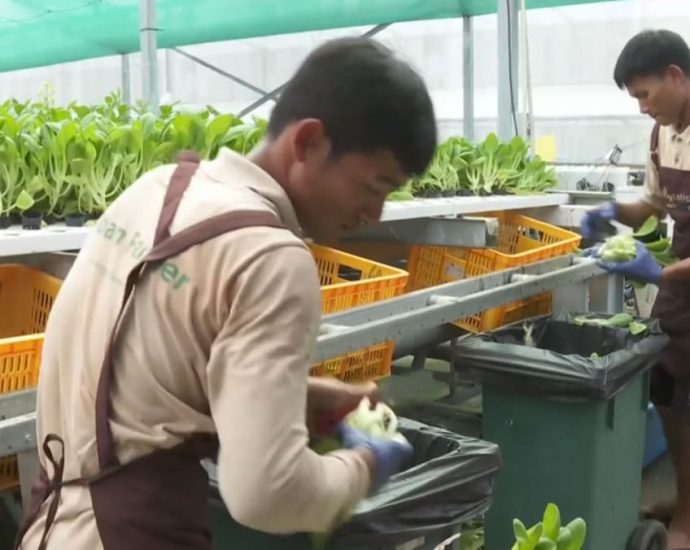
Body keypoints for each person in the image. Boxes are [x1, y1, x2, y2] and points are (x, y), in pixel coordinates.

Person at [16, 37, 436, 549]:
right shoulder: (272, 259)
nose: (374, 215)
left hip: (53, 527)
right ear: (307, 142)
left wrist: (305, 398)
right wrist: (366, 463)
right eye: (375, 187)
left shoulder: (157, 189)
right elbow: (266, 492)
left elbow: (144, 379)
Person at [582, 29, 690, 549]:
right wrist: (611, 213)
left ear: (676, 75)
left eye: (646, 94)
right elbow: (652, 203)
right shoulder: (662, 135)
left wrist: (661, 273)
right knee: (667, 390)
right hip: (682, 286)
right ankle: (685, 496)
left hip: (681, 274)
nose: (643, 108)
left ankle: (688, 517)